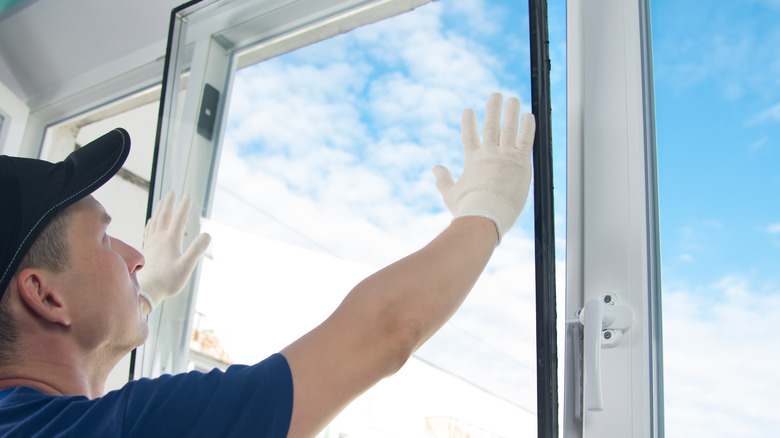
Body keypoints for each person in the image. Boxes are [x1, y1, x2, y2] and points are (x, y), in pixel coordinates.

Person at [0, 92, 535, 437]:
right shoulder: (136, 428)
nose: (136, 255)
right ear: (45, 296)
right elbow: (383, 332)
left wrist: (147, 296)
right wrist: (483, 212)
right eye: (106, 239)